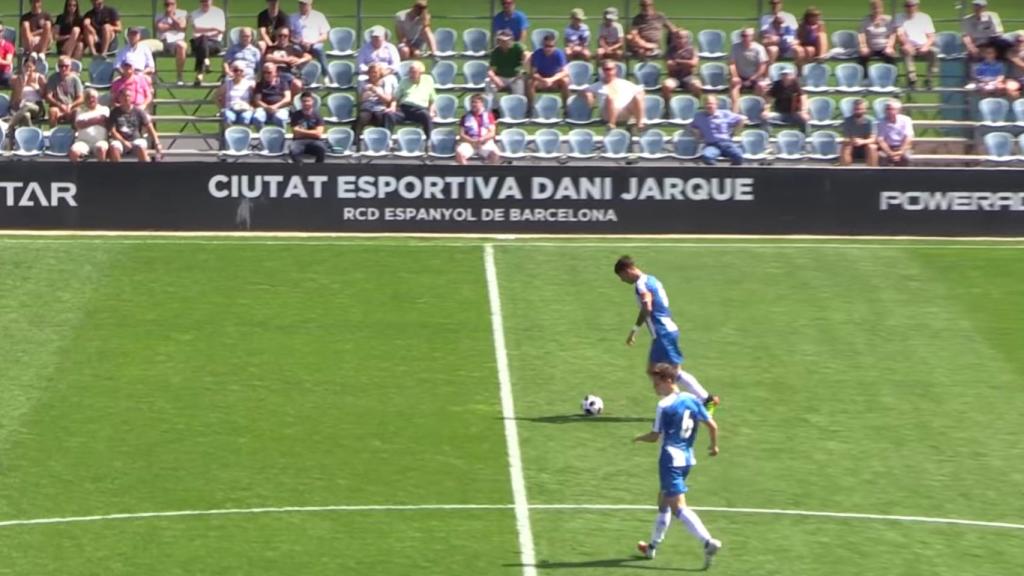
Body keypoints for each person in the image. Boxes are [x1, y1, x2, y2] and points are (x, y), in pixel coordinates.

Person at [633, 363, 721, 569]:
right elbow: (712, 425)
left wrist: (638, 438)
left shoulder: (664, 406)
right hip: (687, 459)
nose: (654, 388)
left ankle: (707, 541)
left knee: (678, 507)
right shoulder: (692, 399)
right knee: (663, 500)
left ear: (668, 381)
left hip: (670, 460)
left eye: (657, 383)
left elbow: (655, 436)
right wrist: (714, 446)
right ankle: (652, 547)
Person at [614, 256, 720, 407]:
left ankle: (696, 402)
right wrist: (635, 329)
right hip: (667, 331)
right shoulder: (652, 279)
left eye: (621, 276)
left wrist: (638, 325)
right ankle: (704, 399)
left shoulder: (641, 284)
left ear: (627, 271)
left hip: (663, 333)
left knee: (662, 373)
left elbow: (647, 306)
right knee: (666, 372)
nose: (622, 281)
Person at [584, 59, 645, 131]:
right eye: (605, 69)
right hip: (607, 114)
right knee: (610, 97)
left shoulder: (624, 83)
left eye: (610, 69)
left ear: (615, 70)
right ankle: (611, 124)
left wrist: (640, 94)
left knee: (638, 97)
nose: (608, 72)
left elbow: (640, 90)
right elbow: (584, 91)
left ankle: (640, 124)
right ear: (602, 71)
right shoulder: (598, 85)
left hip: (625, 112)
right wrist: (588, 95)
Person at [108, 89, 162, 162]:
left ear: (131, 98)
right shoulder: (114, 112)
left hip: (136, 139)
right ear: (119, 98)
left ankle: (143, 171)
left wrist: (157, 143)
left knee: (140, 146)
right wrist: (124, 142)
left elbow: (150, 128)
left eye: (128, 96)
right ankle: (118, 172)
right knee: (114, 147)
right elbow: (113, 131)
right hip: (120, 140)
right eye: (124, 96)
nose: (126, 98)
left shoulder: (138, 111)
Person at [894, 0, 936, 90]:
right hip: (908, 45)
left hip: (923, 46)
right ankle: (912, 79)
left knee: (934, 52)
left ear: (917, 6)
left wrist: (926, 46)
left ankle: (929, 79)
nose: (909, 8)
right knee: (906, 50)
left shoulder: (925, 17)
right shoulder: (899, 17)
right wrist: (907, 44)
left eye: (911, 5)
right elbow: (900, 34)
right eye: (907, 6)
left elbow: (931, 36)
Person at [691, 96, 745, 166]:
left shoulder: (725, 114)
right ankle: (717, 174)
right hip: (712, 145)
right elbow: (693, 126)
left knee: (739, 156)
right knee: (707, 157)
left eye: (712, 104)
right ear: (704, 105)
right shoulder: (699, 116)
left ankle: (732, 173)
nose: (709, 106)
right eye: (707, 104)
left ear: (716, 105)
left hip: (726, 144)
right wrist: (698, 135)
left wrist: (735, 132)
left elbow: (741, 119)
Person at [387, 59, 436, 135]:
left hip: (419, 110)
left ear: (420, 73)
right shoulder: (404, 81)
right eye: (410, 72)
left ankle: (429, 141)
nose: (411, 74)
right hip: (404, 109)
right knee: (389, 115)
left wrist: (431, 111)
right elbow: (395, 98)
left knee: (426, 116)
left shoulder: (428, 80)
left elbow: (432, 99)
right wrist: (392, 107)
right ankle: (387, 139)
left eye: (414, 72)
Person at [353, 62, 397, 141]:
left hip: (380, 109)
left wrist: (377, 92)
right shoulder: (363, 83)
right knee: (361, 118)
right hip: (367, 108)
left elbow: (388, 99)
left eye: (375, 72)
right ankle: (355, 142)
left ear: (380, 73)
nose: (373, 74)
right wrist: (365, 94)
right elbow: (359, 100)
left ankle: (384, 142)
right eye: (370, 72)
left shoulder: (385, 83)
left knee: (383, 119)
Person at [289, 0, 330, 84]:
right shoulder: (292, 17)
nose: (302, 6)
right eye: (300, 4)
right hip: (299, 44)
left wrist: (312, 42)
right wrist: (299, 42)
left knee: (318, 48)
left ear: (310, 4)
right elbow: (289, 36)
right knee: (294, 48)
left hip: (314, 43)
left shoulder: (319, 16)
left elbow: (324, 36)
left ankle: (325, 75)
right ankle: (296, 74)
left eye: (304, 4)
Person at [7, 56, 47, 142]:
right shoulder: (19, 79)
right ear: (23, 67)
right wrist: (22, 84)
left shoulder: (39, 78)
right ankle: (34, 140)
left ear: (34, 67)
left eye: (30, 67)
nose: (28, 69)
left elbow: (45, 97)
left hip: (37, 107)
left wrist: (36, 88)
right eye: (26, 67)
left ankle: (10, 124)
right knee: (26, 115)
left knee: (27, 105)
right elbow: (16, 99)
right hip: (22, 108)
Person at [729, 28, 769, 111]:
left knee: (762, 86)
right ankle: (735, 110)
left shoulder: (759, 48)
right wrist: (735, 76)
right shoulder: (735, 47)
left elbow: (763, 66)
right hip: (740, 76)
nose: (744, 38)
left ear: (752, 37)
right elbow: (732, 64)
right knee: (734, 86)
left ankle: (757, 109)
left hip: (755, 76)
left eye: (746, 36)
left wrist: (752, 78)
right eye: (742, 36)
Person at [455, 93, 499, 165]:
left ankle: (486, 173)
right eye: (472, 102)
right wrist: (472, 141)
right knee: (459, 153)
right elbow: (461, 134)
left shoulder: (488, 116)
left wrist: (482, 139)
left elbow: (492, 133)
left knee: (495, 153)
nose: (473, 104)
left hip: (484, 142)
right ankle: (466, 173)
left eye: (476, 102)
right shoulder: (465, 117)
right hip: (470, 142)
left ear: (481, 103)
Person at [189, 0, 225, 86]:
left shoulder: (218, 12)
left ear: (211, 1)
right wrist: (213, 28)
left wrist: (204, 33)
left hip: (214, 42)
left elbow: (222, 30)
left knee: (202, 42)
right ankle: (205, 61)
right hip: (197, 42)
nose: (205, 3)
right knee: (202, 40)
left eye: (206, 1)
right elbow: (196, 29)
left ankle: (200, 73)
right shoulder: (194, 14)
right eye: (202, 1)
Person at [527, 33, 570, 105]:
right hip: (541, 79)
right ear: (543, 45)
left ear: (555, 46)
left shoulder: (559, 54)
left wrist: (551, 79)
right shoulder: (537, 54)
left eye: (551, 46)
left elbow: (565, 72)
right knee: (530, 83)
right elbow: (533, 73)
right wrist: (543, 80)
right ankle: (530, 108)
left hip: (554, 79)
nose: (548, 49)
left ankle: (566, 107)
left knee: (565, 81)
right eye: (546, 46)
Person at [661, 28, 701, 104]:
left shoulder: (692, 49)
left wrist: (677, 61)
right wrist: (687, 65)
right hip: (674, 78)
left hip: (688, 77)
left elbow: (694, 63)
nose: (678, 40)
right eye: (676, 38)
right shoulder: (670, 50)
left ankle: (695, 106)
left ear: (686, 39)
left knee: (697, 86)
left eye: (681, 38)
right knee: (666, 85)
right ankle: (667, 108)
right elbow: (669, 66)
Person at [264, 26, 308, 94]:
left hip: (289, 73)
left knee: (297, 84)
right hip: (274, 75)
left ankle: (293, 103)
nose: (282, 38)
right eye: (280, 35)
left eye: (285, 36)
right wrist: (286, 60)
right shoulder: (271, 48)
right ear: (276, 36)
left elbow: (308, 56)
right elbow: (267, 57)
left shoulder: (293, 48)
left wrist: (299, 60)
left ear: (288, 36)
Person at [69, 88, 109, 162]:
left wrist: (86, 122)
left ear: (97, 99)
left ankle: (103, 172)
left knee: (101, 149)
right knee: (73, 152)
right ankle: (75, 173)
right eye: (88, 98)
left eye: (93, 98)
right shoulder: (80, 111)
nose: (91, 100)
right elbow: (79, 125)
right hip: (83, 141)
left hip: (100, 141)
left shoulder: (104, 109)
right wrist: (97, 120)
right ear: (84, 100)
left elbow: (104, 121)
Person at [45, 55, 84, 128]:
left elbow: (81, 98)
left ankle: (75, 134)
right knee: (52, 111)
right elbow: (48, 96)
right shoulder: (53, 78)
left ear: (70, 66)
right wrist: (60, 105)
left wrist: (71, 105)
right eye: (61, 66)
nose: (63, 68)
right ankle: (53, 133)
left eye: (66, 66)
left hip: (71, 107)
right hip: (57, 107)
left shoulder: (75, 79)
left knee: (77, 111)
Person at [486, 29, 527, 99]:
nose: (503, 42)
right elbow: (490, 70)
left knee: (519, 90)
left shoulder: (517, 47)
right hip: (501, 77)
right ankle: (494, 108)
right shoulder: (495, 52)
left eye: (505, 40)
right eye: (500, 40)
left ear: (511, 39)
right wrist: (495, 78)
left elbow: (526, 58)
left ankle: (518, 107)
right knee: (488, 82)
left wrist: (522, 71)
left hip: (515, 77)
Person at [155, 0, 188, 85]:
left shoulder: (182, 13)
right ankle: (152, 76)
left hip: (178, 41)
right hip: (164, 42)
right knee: (147, 46)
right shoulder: (159, 15)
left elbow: (182, 26)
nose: (169, 6)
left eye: (171, 4)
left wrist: (172, 17)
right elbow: (159, 28)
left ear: (176, 4)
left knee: (182, 46)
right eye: (166, 4)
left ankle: (179, 76)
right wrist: (175, 26)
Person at [288, 91, 326, 163]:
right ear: (301, 102)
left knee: (322, 149)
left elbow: (318, 134)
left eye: (308, 101)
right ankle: (301, 170)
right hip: (298, 141)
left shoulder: (318, 115)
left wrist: (301, 131)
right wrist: (313, 132)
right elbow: (296, 133)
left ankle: (317, 170)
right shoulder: (296, 115)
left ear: (312, 102)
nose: (306, 103)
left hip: (314, 141)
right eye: (304, 101)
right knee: (293, 150)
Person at [858, 0, 896, 73]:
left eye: (879, 8)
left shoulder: (888, 19)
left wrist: (890, 46)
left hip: (884, 47)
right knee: (862, 55)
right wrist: (863, 46)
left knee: (890, 54)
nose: (877, 10)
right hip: (870, 47)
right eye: (874, 8)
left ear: (882, 9)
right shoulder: (866, 20)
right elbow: (861, 34)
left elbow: (893, 34)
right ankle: (864, 78)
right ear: (871, 9)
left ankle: (892, 78)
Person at [253, 61, 292, 128]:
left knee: (280, 118)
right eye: (264, 72)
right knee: (257, 118)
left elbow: (287, 98)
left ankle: (281, 134)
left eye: (269, 72)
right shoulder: (260, 84)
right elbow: (257, 100)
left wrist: (275, 106)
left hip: (280, 108)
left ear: (275, 73)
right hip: (264, 108)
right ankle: (262, 134)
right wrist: (267, 107)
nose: (266, 75)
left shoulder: (283, 83)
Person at [840, 98, 877, 166]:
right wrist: (853, 141)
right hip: (852, 146)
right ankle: (845, 172)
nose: (858, 111)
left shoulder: (870, 121)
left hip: (865, 146)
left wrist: (862, 141)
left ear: (865, 110)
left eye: (860, 109)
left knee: (872, 147)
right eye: (856, 109)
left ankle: (872, 172)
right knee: (845, 147)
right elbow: (846, 138)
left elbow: (873, 139)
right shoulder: (847, 121)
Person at [875, 99, 913, 166]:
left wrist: (900, 152)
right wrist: (890, 153)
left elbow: (908, 138)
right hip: (887, 148)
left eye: (891, 109)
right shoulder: (881, 121)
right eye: (887, 109)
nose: (889, 111)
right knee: (882, 157)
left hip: (902, 146)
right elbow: (880, 140)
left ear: (898, 110)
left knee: (905, 157)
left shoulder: (906, 120)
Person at [0, 22, 15, 88]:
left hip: (3, 73)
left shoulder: (8, 46)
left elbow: (8, 61)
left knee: (19, 81)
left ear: (3, 32)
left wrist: (0, 61)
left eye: (0, 31)